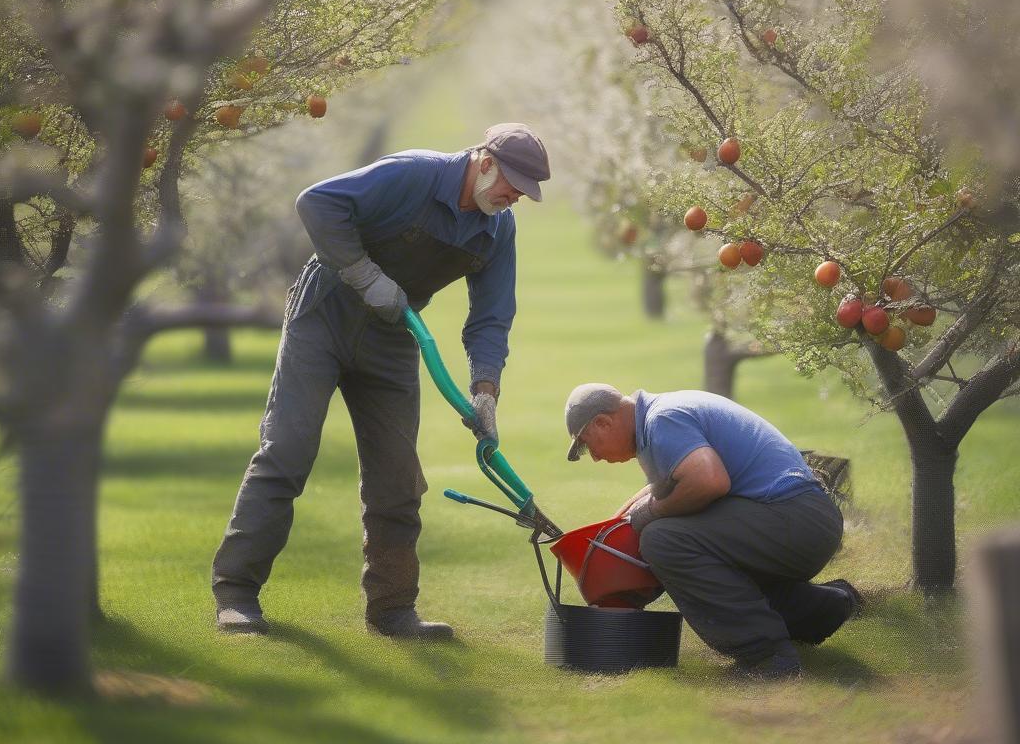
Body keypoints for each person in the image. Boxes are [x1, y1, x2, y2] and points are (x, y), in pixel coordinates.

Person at [212, 123, 550, 640]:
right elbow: (316, 203)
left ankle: (392, 611)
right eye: (511, 186)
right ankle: (236, 595)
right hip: (324, 316)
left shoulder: (496, 229)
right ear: (484, 162)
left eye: (523, 195)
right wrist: (366, 276)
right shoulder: (413, 174)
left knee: (397, 477)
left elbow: (491, 318)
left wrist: (485, 392)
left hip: (393, 336)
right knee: (288, 451)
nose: (512, 200)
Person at [563, 383, 861, 679]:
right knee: (681, 537)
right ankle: (821, 609)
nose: (596, 457)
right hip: (799, 517)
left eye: (589, 445)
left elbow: (708, 481)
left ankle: (766, 656)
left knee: (664, 539)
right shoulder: (657, 420)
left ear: (604, 422)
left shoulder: (662, 421)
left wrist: (651, 513)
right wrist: (620, 524)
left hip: (796, 519)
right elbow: (657, 491)